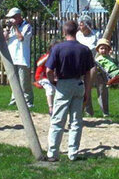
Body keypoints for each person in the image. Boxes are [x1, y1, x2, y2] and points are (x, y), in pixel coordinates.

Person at [45, 20, 94, 162]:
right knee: (76, 120)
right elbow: (89, 72)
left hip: (63, 83)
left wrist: (52, 81)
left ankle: (53, 153)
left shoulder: (58, 48)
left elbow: (48, 70)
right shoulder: (84, 49)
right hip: (79, 83)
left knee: (58, 120)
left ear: (64, 32)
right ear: (77, 31)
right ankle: (73, 153)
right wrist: (87, 91)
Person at [75, 14, 109, 117]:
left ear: (88, 25)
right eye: (79, 25)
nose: (80, 27)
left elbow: (101, 48)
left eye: (82, 25)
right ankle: (88, 111)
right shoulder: (78, 35)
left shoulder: (96, 34)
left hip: (96, 64)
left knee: (101, 88)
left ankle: (105, 112)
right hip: (83, 66)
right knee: (86, 88)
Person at [3, 7, 33, 107]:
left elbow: (21, 38)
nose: (10, 20)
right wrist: (7, 29)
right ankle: (14, 99)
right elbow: (4, 39)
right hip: (12, 57)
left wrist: (15, 27)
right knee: (14, 81)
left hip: (22, 58)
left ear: (18, 17)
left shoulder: (27, 26)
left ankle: (28, 101)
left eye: (12, 17)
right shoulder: (10, 28)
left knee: (24, 82)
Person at [33, 42, 57, 115]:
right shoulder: (46, 56)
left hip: (51, 78)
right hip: (42, 77)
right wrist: (47, 57)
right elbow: (38, 64)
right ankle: (51, 108)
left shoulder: (58, 57)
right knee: (49, 88)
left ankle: (57, 107)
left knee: (58, 90)